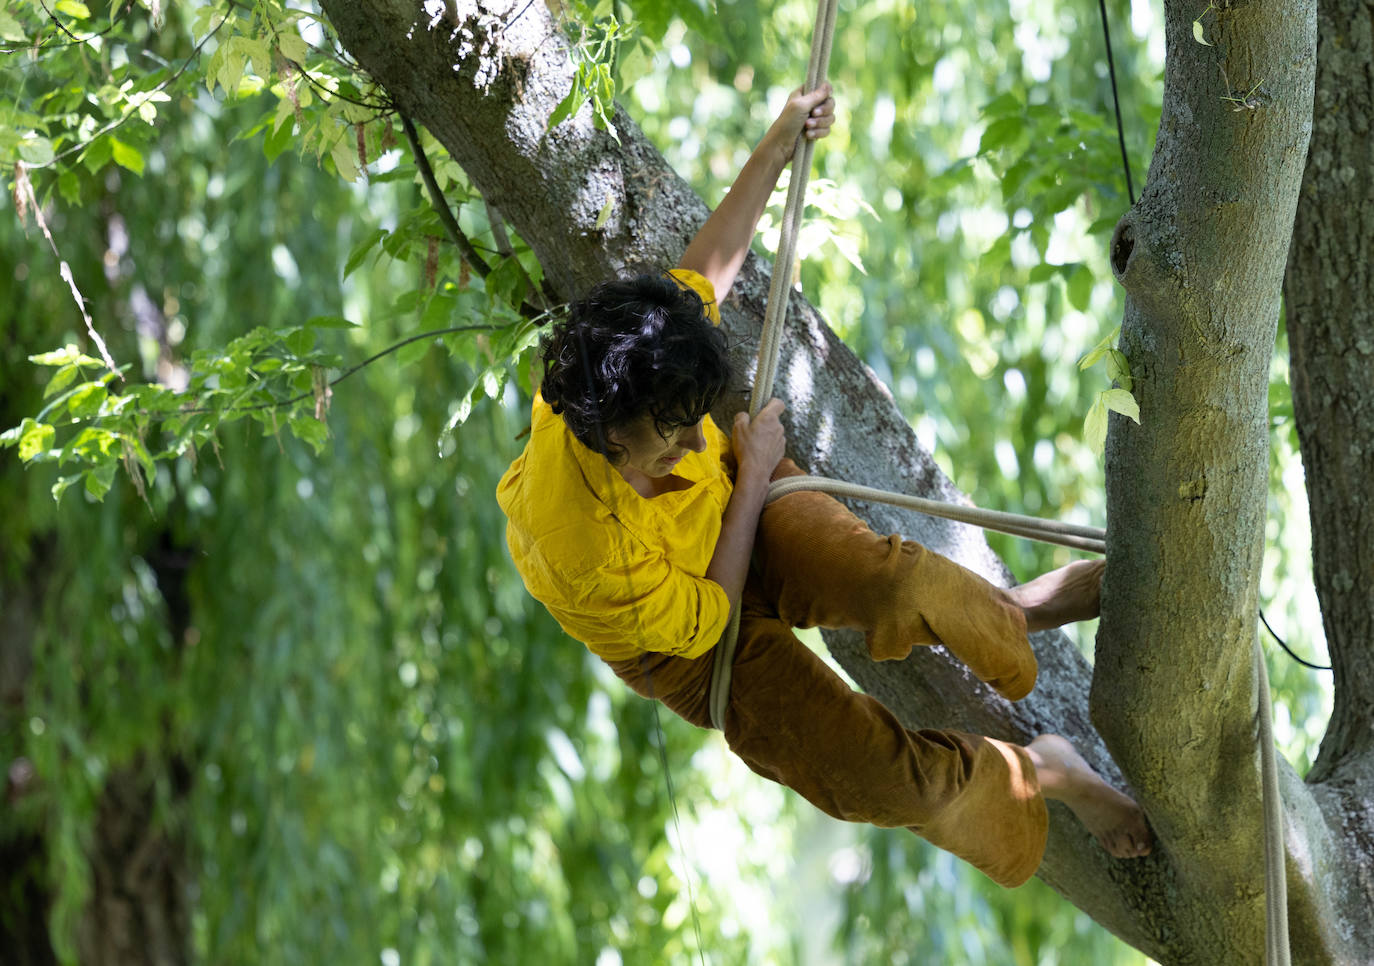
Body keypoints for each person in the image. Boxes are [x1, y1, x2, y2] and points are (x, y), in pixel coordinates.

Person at [497, 84, 1151, 887]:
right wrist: (752, 475)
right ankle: (1047, 769)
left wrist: (780, 142)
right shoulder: (579, 546)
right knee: (883, 780)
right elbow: (710, 618)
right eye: (672, 444)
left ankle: (1014, 614)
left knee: (898, 582)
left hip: (742, 509)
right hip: (701, 649)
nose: (697, 444)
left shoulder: (629, 360)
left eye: (696, 423)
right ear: (608, 439)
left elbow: (705, 271)